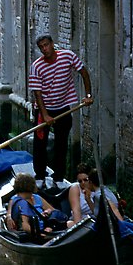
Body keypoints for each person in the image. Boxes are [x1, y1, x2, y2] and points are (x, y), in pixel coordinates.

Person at [28, 34, 93, 190]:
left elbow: (83, 72)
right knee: (40, 145)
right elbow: (37, 93)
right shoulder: (36, 66)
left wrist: (88, 96)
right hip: (43, 109)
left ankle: (58, 177)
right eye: (41, 47)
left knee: (61, 144)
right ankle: (40, 176)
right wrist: (45, 115)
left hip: (63, 107)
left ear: (52, 44)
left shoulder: (68, 56)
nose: (44, 49)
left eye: (46, 45)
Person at [65, 162, 95, 228]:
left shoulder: (95, 188)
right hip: (80, 221)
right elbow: (76, 213)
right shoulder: (75, 188)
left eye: (85, 180)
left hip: (95, 220)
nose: (83, 183)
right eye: (80, 181)